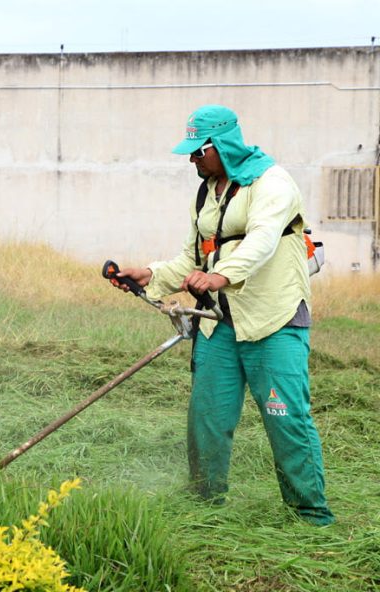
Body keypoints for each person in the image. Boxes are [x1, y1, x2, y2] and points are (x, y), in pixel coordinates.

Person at [113, 105, 334, 525]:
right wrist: (151, 274)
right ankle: (205, 505)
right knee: (208, 418)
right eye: (191, 153)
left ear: (224, 145)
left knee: (285, 420)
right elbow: (192, 257)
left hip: (274, 320)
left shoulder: (272, 183)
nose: (192, 160)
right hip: (219, 325)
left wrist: (219, 277)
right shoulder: (207, 192)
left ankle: (310, 517)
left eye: (200, 152)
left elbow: (263, 241)